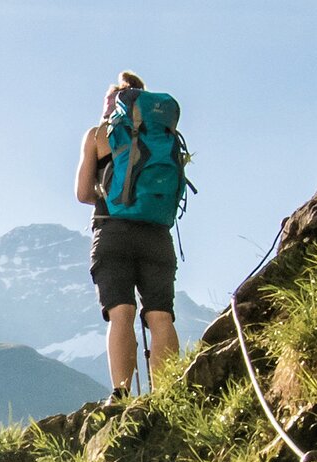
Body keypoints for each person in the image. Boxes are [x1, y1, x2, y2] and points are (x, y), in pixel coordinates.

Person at [76, 70, 180, 400]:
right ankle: (168, 394)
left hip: (113, 231)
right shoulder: (163, 135)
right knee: (160, 315)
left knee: (122, 313)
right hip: (157, 233)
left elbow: (82, 193)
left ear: (114, 102)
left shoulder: (98, 134)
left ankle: (121, 394)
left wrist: (112, 195)